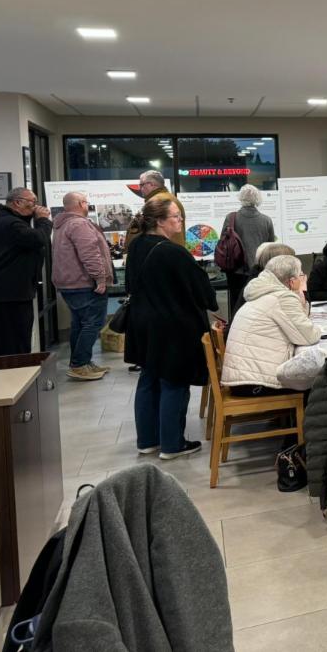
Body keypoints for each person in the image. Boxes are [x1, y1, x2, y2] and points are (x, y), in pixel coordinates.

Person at [125, 196, 218, 459]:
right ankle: (172, 443)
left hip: (142, 323)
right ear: (160, 221)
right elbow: (204, 294)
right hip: (173, 326)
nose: (181, 220)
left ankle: (147, 440)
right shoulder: (174, 252)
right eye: (176, 216)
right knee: (174, 382)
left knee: (148, 379)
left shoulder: (137, 246)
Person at [221, 254, 322, 395]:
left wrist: (300, 297)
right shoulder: (282, 297)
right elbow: (308, 336)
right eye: (301, 275)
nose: (303, 278)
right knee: (319, 384)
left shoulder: (264, 292)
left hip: (243, 378)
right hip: (255, 382)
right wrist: (303, 292)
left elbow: (299, 324)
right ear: (292, 281)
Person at [0, 187, 52, 357]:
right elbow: (38, 239)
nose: (36, 207)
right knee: (14, 349)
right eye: (33, 202)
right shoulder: (11, 224)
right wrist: (43, 221)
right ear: (17, 202)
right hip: (8, 298)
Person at [52, 191, 114, 379]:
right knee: (94, 323)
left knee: (79, 324)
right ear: (80, 203)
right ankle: (79, 365)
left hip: (70, 283)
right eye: (86, 202)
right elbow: (90, 254)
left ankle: (81, 362)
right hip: (84, 283)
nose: (88, 205)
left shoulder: (62, 225)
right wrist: (100, 278)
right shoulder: (79, 224)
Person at [222, 184, 276, 322]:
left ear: (240, 198)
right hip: (259, 270)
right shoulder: (266, 220)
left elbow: (223, 242)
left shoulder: (231, 218)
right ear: (258, 199)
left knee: (236, 304)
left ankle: (234, 329)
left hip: (236, 270)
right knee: (258, 304)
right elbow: (270, 246)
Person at [125, 170, 185, 249]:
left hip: (162, 250)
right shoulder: (172, 199)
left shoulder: (156, 202)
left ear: (151, 184)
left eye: (141, 185)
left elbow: (140, 230)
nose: (140, 188)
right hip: (174, 248)